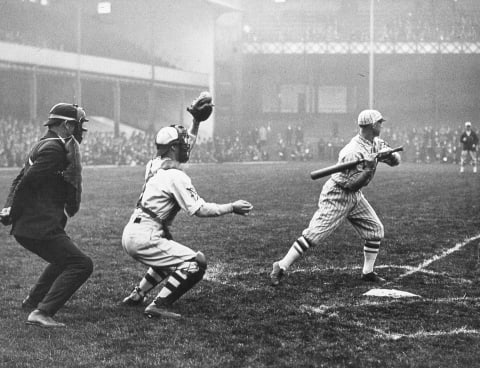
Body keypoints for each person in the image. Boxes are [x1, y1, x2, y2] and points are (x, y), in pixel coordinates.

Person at [121, 96, 253, 319]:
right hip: (146, 235)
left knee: (168, 253)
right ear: (173, 148)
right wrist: (231, 207)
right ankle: (158, 305)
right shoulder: (176, 177)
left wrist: (195, 122)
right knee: (196, 262)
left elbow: (183, 148)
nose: (186, 146)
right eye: (181, 144)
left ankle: (137, 294)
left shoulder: (153, 165)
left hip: (133, 232)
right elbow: (200, 210)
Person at [270, 109, 401, 286]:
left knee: (375, 230)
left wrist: (389, 155)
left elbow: (396, 161)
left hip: (355, 196)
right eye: (379, 123)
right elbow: (351, 184)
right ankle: (281, 265)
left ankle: (367, 272)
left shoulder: (376, 143)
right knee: (314, 235)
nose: (381, 125)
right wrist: (369, 168)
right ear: (371, 126)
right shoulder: (352, 152)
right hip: (338, 195)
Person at [0, 103, 93, 328]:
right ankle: (42, 312)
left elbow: (20, 179)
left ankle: (32, 301)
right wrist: (11, 212)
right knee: (82, 264)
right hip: (37, 225)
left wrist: (8, 208)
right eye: (78, 125)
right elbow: (27, 182)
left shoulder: (45, 144)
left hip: (34, 224)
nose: (81, 131)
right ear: (67, 125)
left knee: (63, 259)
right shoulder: (54, 149)